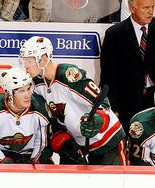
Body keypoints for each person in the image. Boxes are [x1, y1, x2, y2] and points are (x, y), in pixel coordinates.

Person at [19, 36, 126, 165]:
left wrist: (98, 119)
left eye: (29, 61)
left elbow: (102, 102)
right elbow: (52, 119)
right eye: (24, 61)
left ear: (44, 59)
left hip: (108, 141)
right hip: (83, 146)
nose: (26, 67)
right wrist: (64, 142)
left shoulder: (68, 75)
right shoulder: (36, 85)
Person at [100, 0, 155, 135]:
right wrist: (113, 107)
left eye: (153, 7)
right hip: (127, 99)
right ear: (132, 9)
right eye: (146, 8)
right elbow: (108, 74)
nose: (151, 12)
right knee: (129, 141)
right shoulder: (114, 34)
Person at [0, 67, 53, 164]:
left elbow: (43, 144)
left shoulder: (40, 108)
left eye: (29, 88)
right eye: (22, 91)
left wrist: (35, 161)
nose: (28, 95)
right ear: (9, 94)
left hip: (29, 156)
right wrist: (4, 161)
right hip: (2, 156)